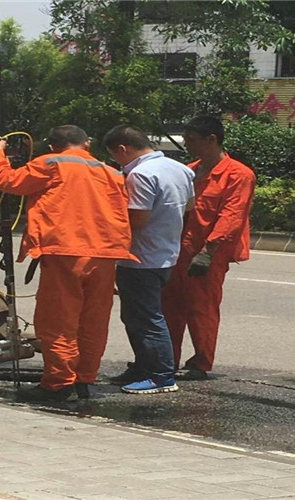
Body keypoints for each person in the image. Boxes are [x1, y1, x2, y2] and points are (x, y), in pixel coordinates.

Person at [0, 125, 136, 401]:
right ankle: (85, 379)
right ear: (87, 144)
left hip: (65, 251)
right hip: (105, 255)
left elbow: (7, 181)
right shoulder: (111, 172)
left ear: (52, 146)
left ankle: (60, 382)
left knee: (58, 321)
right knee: (93, 322)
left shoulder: (51, 163)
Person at [162, 116, 256, 380]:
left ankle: (201, 362)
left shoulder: (239, 175)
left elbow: (232, 216)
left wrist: (208, 251)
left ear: (211, 139)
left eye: (191, 140)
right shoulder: (190, 171)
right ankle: (168, 359)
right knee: (170, 306)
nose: (186, 144)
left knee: (201, 308)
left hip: (208, 253)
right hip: (178, 248)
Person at [103, 125, 195, 394]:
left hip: (140, 257)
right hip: (166, 253)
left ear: (123, 149)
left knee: (147, 318)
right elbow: (190, 206)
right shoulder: (180, 168)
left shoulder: (140, 174)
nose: (116, 163)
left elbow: (138, 219)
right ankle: (144, 366)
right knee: (136, 316)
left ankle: (161, 375)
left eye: (115, 157)